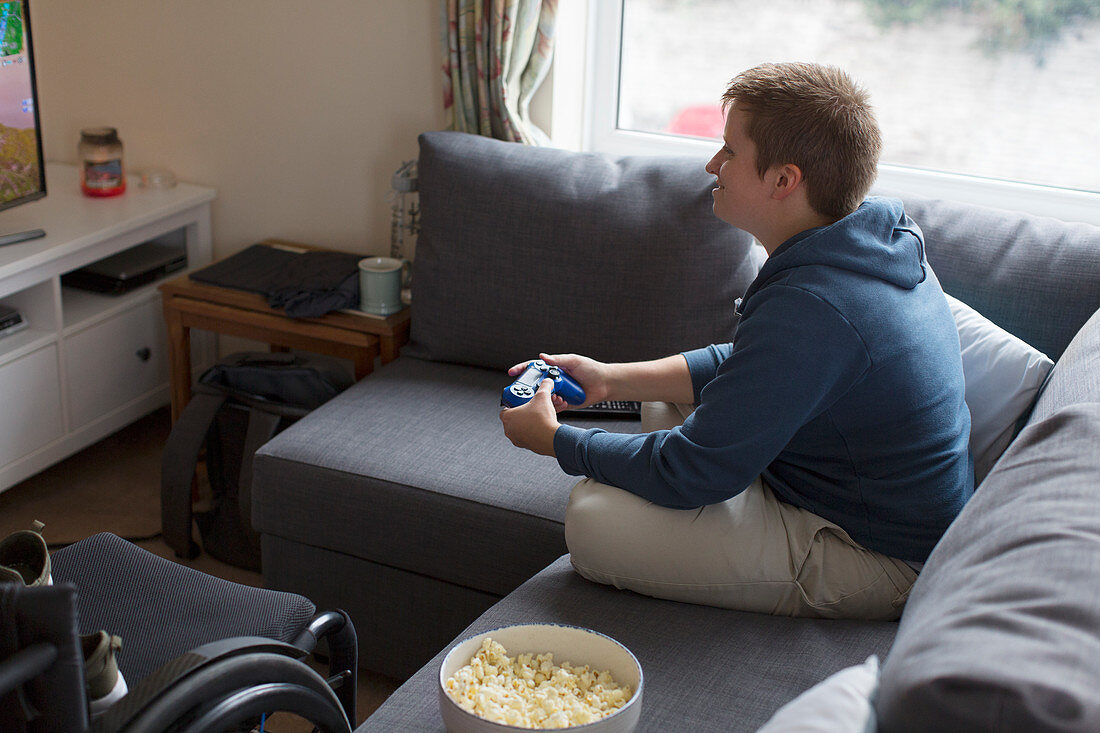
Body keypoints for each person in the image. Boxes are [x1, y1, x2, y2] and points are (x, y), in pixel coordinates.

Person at [499, 62, 973, 621]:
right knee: (661, 399)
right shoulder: (868, 240)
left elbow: (692, 470)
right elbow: (753, 366)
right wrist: (610, 377)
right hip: (834, 480)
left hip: (878, 554)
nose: (711, 165)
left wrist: (554, 441)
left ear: (782, 181)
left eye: (728, 151)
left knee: (592, 519)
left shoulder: (817, 306)